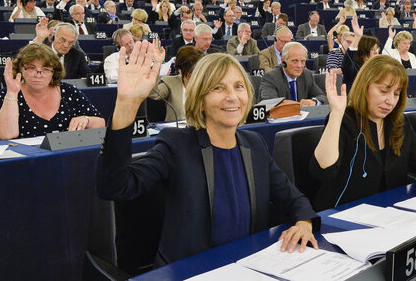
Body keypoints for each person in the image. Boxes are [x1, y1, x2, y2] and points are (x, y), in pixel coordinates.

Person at [97, 43, 320, 265]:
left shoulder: (254, 144)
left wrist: (304, 222)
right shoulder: (177, 145)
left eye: (239, 86)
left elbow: (293, 198)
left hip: (248, 266)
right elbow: (114, 186)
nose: (232, 97)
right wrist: (126, 105)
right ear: (200, 99)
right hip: (191, 270)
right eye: (218, 88)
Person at [310, 56, 416, 211]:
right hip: (342, 216)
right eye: (383, 91)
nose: (390, 101)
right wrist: (336, 114)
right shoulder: (344, 120)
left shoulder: (399, 123)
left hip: (390, 217)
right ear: (364, 87)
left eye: (396, 93)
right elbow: (323, 171)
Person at [0, 43, 104, 139]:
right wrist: (12, 93)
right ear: (20, 69)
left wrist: (86, 119)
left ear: (54, 71)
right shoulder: (7, 93)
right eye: (31, 68)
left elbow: (101, 123)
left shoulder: (68, 91)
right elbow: (5, 135)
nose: (38, 75)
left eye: (45, 69)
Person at [259, 42, 327, 106]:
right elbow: (270, 103)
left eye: (303, 61)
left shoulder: (307, 75)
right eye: (295, 61)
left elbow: (322, 97)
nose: (299, 66)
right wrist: (296, 105)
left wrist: (314, 101)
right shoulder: (271, 77)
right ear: (283, 61)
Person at [148, 46, 203, 121]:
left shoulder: (206, 83)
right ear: (180, 69)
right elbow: (154, 94)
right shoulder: (170, 82)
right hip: (176, 129)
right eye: (188, 72)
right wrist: (157, 63)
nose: (191, 75)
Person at [341, 16, 380, 92]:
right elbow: (347, 64)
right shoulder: (354, 69)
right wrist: (357, 37)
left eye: (377, 49)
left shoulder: (378, 68)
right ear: (363, 52)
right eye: (372, 49)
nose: (376, 52)